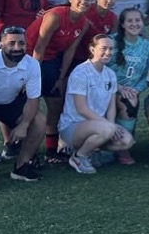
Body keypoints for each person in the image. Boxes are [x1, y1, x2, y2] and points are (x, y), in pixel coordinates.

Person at [26, 0, 94, 160]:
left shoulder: (84, 23)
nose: (84, 1)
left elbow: (70, 50)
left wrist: (61, 77)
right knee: (29, 105)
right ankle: (23, 149)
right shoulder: (55, 15)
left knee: (56, 104)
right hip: (31, 58)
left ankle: (51, 151)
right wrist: (32, 77)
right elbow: (39, 47)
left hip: (52, 60)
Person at [0, 26, 45, 182]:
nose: (17, 48)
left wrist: (24, 125)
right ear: (1, 44)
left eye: (21, 43)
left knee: (39, 120)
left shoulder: (32, 64)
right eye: (11, 43)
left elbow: (33, 98)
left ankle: (22, 166)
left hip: (9, 102)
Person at [56, 34, 135, 174]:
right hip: (73, 125)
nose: (108, 52)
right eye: (104, 48)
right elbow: (81, 109)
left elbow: (111, 107)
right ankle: (79, 156)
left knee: (127, 141)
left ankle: (92, 150)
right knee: (108, 130)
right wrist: (109, 126)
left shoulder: (110, 74)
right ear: (92, 49)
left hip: (98, 125)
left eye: (111, 49)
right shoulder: (80, 72)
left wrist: (111, 124)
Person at [107, 8, 149, 165]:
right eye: (129, 21)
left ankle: (122, 148)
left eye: (137, 20)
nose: (134, 24)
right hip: (107, 87)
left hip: (130, 91)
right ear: (122, 24)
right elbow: (101, 68)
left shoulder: (148, 47)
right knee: (103, 157)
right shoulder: (112, 41)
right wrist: (118, 87)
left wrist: (136, 89)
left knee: (130, 101)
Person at [74, 0, 118, 64]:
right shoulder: (85, 11)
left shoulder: (113, 18)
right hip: (78, 56)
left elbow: (111, 41)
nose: (109, 0)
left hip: (98, 59)